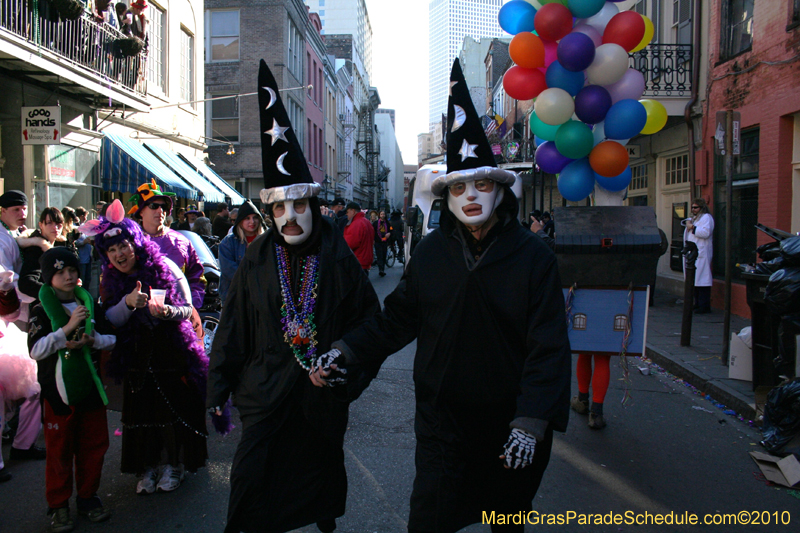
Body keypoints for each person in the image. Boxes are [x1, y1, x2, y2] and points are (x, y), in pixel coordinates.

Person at [310, 60, 571, 533]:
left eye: (483, 184)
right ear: (446, 196)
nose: (471, 195)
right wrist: (345, 351)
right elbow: (396, 320)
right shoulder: (430, 256)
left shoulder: (535, 259)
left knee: (505, 518)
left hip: (507, 422)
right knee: (429, 519)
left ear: (499, 189)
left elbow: (548, 346)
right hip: (441, 423)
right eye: (459, 187)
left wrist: (532, 421)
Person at [207, 60, 381, 533]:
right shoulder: (259, 256)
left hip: (318, 396)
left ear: (314, 204)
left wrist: (341, 357)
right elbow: (235, 323)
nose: (290, 216)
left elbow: (371, 322)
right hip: (264, 392)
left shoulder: (337, 253)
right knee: (250, 483)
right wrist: (217, 387)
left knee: (316, 480)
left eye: (299, 204)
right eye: (279, 206)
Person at [86, 199, 222, 495]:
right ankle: (147, 465)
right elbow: (110, 319)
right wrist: (128, 303)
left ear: (135, 243)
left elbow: (188, 309)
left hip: (171, 353)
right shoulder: (110, 280)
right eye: (112, 250)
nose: (120, 254)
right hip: (137, 356)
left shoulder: (165, 265)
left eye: (123, 246)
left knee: (171, 411)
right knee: (143, 411)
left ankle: (175, 465)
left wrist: (169, 313)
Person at [28, 248, 116, 531]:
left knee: (93, 446)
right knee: (59, 452)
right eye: (60, 272)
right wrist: (66, 330)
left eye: (72, 270)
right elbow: (36, 350)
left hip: (90, 388)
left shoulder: (88, 303)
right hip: (57, 394)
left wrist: (92, 341)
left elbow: (111, 338)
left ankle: (88, 498)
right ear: (48, 277)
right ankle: (58, 505)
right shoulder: (40, 310)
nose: (68, 276)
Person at [0, 191, 46, 478]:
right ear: (2, 211)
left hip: (13, 325)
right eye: (17, 209)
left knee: (31, 389)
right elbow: (6, 278)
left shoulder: (10, 235)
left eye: (25, 208)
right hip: (7, 324)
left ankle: (23, 444)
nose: (23, 214)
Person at [127, 180, 207, 310]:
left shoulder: (182, 241)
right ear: (141, 211)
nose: (160, 210)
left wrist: (190, 307)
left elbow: (196, 277)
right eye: (153, 206)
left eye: (163, 207)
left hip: (176, 315)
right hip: (138, 317)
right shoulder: (128, 242)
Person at [19, 208, 71, 303]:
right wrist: (55, 293)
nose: (55, 227)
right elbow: (26, 282)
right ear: (41, 225)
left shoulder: (59, 244)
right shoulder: (36, 249)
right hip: (43, 307)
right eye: (49, 223)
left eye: (58, 224)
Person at [218, 201, 263, 303]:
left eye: (255, 217)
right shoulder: (228, 242)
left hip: (261, 297)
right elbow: (228, 270)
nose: (252, 222)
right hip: (235, 298)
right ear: (240, 220)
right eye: (247, 218)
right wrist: (253, 280)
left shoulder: (267, 241)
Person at [684, 198, 714, 314]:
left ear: (702, 208)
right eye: (692, 207)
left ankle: (704, 305)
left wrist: (692, 227)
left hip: (702, 252)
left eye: (695, 207)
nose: (693, 209)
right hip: (694, 253)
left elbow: (705, 233)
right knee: (695, 280)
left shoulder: (707, 218)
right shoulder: (696, 218)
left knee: (703, 281)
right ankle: (697, 304)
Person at [343, 202, 374, 276]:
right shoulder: (366, 222)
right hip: (365, 260)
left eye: (347, 212)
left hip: (357, 261)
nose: (346, 214)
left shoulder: (356, 224)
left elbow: (349, 245)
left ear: (353, 211)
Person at [373, 210, 391, 277]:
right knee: (379, 256)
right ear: (379, 215)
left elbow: (391, 229)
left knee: (383, 256)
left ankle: (382, 269)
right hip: (378, 241)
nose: (382, 215)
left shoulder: (388, 223)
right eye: (381, 214)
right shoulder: (375, 223)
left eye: (383, 214)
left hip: (385, 242)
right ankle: (381, 270)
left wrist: (389, 233)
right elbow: (372, 231)